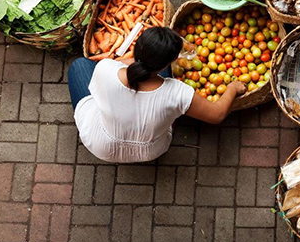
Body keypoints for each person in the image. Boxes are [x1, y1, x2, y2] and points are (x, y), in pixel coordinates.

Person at [67, 27, 246, 163]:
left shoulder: (105, 68)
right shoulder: (177, 92)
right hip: (149, 151)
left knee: (79, 65)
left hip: (101, 145)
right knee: (176, 107)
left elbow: (121, 68)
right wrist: (233, 88)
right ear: (165, 66)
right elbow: (217, 115)